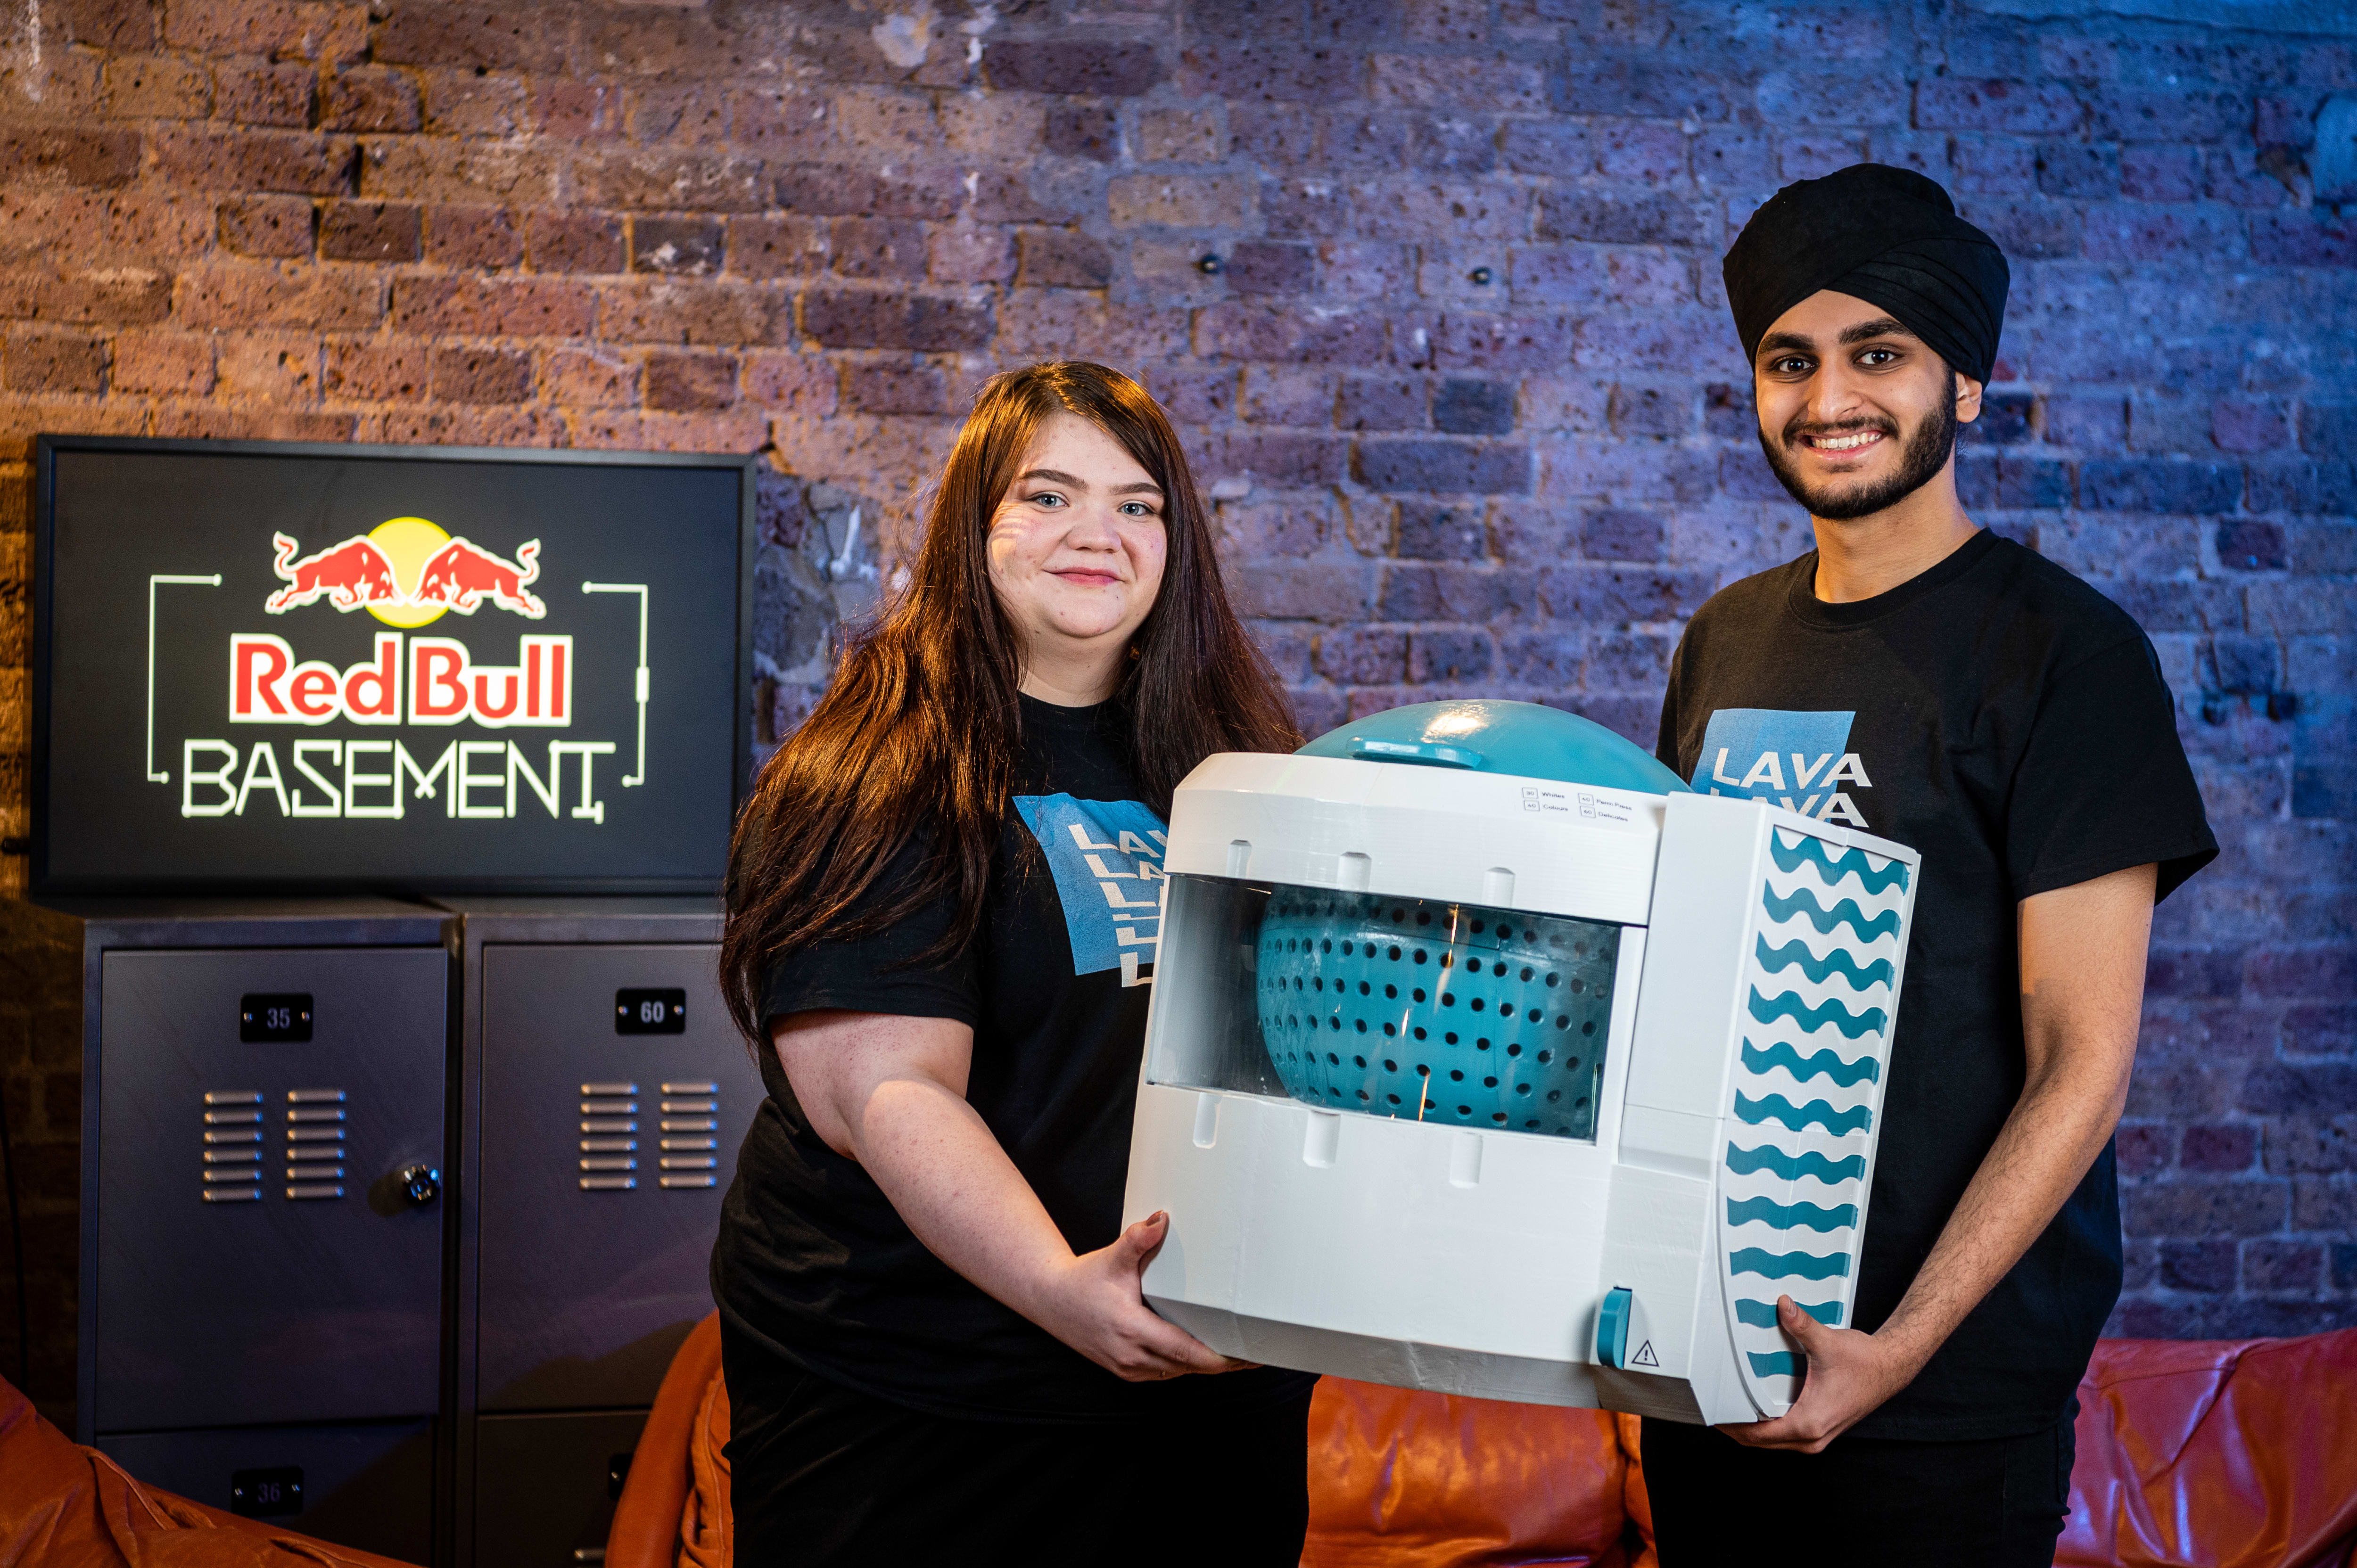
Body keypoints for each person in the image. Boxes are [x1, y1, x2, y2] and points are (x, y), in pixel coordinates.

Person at [1642, 164, 2217, 1565]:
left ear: (1963, 384)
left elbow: (2081, 1057)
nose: (1829, 396)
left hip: (1942, 1397)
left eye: (1878, 353)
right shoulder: (1723, 642)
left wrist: (1897, 1348)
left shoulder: (2066, 655)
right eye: (1791, 360)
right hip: (1714, 1360)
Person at [712, 361, 1316, 1565]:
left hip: (1200, 1396)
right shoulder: (875, 768)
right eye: (1047, 496)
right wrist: (1057, 1285)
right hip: (932, 1401)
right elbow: (886, 1091)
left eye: (1137, 504)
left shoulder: (1232, 760)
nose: (1097, 532)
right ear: (971, 524)